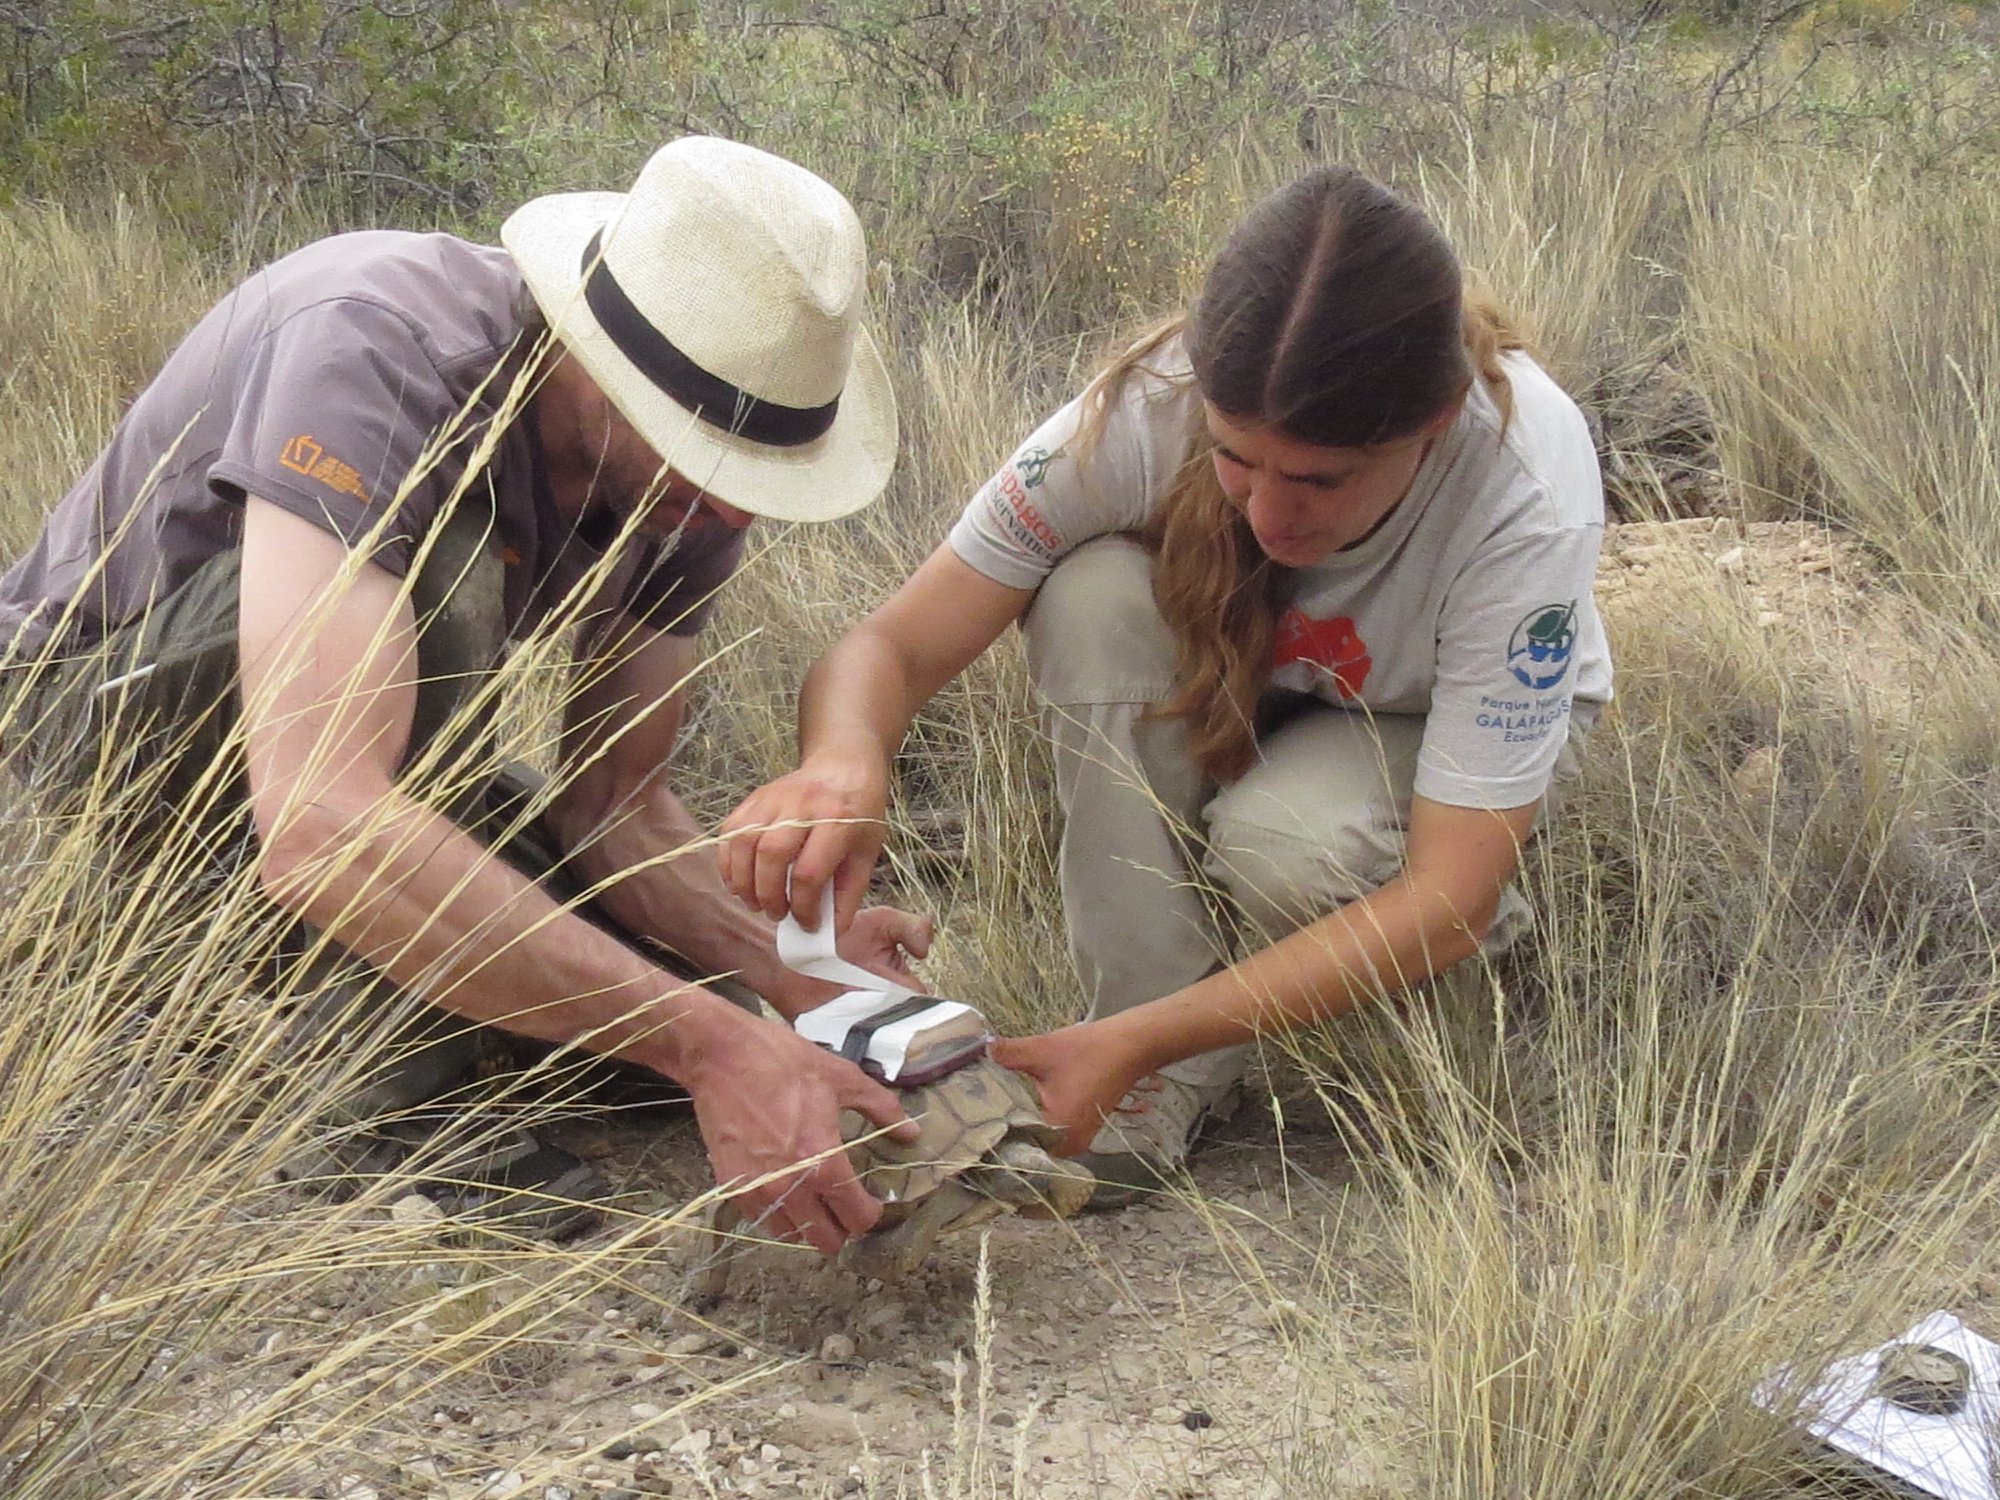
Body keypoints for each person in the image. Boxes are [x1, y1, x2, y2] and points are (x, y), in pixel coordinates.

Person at [0, 135, 931, 1252]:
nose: (734, 512)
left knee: (694, 995)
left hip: (359, 764)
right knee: (447, 575)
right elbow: (324, 824)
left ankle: (437, 1012)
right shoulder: (379, 347)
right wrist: (705, 1050)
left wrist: (797, 977)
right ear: (595, 358)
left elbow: (616, 805)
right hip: (81, 751)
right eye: (708, 458)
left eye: (754, 478)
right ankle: (378, 1102)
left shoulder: (693, 496)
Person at [717, 164, 1612, 1201]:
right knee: (1091, 597)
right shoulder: (1149, 403)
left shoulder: (1522, 486)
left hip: (1422, 716)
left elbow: (1446, 895)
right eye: (1237, 460)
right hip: (1269, 678)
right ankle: (1156, 1064)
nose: (1271, 517)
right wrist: (841, 763)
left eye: (1321, 479)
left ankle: (1419, 1033)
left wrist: (1142, 1038)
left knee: (1287, 846)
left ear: (1435, 419)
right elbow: (891, 648)